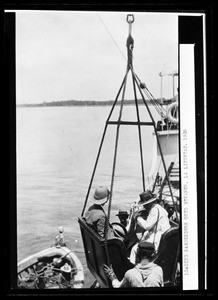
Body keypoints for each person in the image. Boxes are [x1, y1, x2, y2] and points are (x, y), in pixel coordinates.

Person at [129, 190, 170, 264]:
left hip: (158, 238)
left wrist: (137, 218)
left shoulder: (155, 210)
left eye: (145, 204)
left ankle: (133, 267)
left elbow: (147, 226)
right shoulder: (158, 208)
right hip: (161, 235)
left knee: (134, 249)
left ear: (150, 203)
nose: (144, 206)